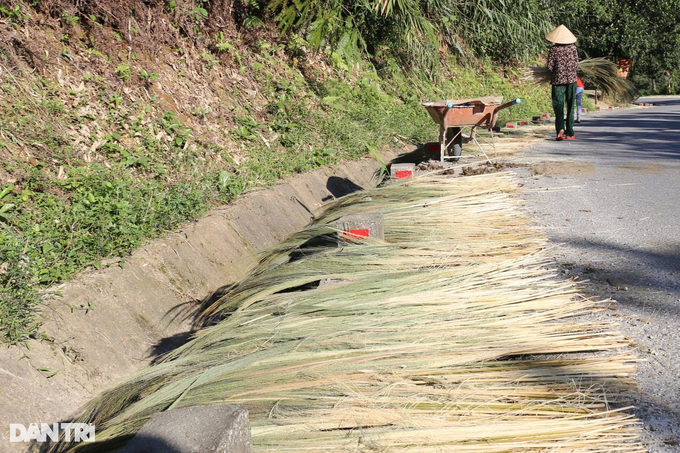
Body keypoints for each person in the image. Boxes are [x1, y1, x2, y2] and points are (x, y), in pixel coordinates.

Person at [546, 25, 579, 140]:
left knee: (558, 106)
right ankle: (570, 132)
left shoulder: (554, 49)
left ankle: (560, 129)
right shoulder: (573, 48)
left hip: (557, 81)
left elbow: (549, 67)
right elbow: (576, 65)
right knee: (570, 105)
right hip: (571, 81)